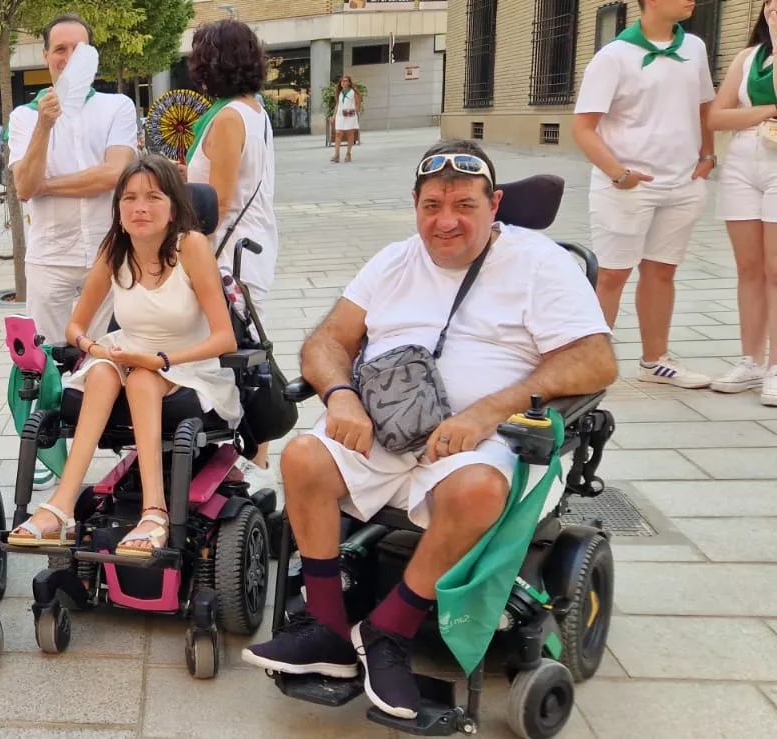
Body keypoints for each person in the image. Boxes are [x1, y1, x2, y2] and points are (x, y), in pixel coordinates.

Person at [237, 141, 616, 719]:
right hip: (385, 428)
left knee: (477, 490)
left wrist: (488, 411)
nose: (446, 221)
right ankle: (329, 630)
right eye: (432, 205)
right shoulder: (394, 261)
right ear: (415, 205)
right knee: (303, 457)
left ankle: (388, 630)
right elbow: (327, 341)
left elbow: (595, 360)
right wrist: (341, 395)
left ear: (495, 204)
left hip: (484, 441)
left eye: (464, 205)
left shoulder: (540, 264)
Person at [8, 156, 240, 554]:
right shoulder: (115, 250)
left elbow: (225, 339)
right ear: (118, 208)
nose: (140, 208)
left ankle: (155, 511)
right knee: (101, 372)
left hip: (188, 363)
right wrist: (94, 348)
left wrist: (161, 361)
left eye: (153, 197)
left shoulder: (191, 247)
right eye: (129, 198)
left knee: (143, 379)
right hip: (128, 353)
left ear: (173, 208)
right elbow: (75, 326)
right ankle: (62, 507)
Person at [6, 13, 138, 492]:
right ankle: (48, 454)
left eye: (77, 49)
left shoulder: (117, 107)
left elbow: (114, 174)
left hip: (110, 256)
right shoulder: (25, 117)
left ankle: (119, 444)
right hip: (51, 257)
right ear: (45, 56)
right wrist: (44, 127)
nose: (68, 58)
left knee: (113, 359)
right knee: (39, 363)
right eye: (59, 49)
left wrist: (47, 184)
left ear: (92, 57)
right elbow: (24, 185)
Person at [572, 0, 717, 389]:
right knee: (612, 275)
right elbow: (583, 127)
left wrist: (708, 154)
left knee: (661, 271)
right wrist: (618, 174)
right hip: (627, 185)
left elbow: (704, 107)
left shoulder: (695, 48)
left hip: (683, 183)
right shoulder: (613, 57)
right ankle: (588, 367)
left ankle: (655, 362)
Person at [185, 18, 282, 488]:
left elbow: (217, 203)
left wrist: (185, 257)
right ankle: (253, 460)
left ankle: (252, 463)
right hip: (252, 249)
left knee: (232, 362)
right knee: (244, 355)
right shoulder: (253, 110)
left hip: (225, 258)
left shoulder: (227, 118)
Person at [707, 0, 777, 406]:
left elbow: (735, 112)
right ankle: (751, 360)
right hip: (742, 162)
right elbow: (717, 117)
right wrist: (769, 110)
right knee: (748, 268)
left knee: (775, 270)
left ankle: (775, 367)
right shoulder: (748, 57)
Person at [331, 76, 361, 163]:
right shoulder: (340, 93)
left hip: (350, 115)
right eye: (342, 81)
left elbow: (358, 103)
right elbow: (337, 105)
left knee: (350, 134)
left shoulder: (353, 92)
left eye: (345, 81)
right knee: (338, 133)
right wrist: (333, 116)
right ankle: (336, 155)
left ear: (349, 83)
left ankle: (348, 154)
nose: (343, 82)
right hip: (340, 115)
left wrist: (355, 112)